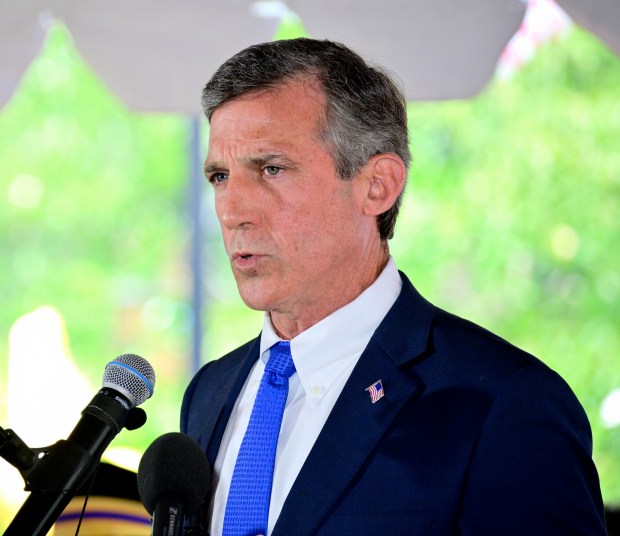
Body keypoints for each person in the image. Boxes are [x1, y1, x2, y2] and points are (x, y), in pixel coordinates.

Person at [180, 38, 606, 535]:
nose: (232, 212)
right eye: (219, 176)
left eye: (271, 169)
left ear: (378, 185)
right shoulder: (210, 392)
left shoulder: (506, 404)